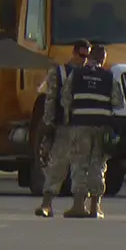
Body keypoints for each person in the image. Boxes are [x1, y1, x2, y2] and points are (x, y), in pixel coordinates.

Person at [35, 39, 90, 218]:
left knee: (81, 167)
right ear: (74, 52)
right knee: (57, 165)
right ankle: (46, 203)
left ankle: (79, 205)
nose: (84, 59)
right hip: (64, 125)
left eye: (87, 56)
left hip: (83, 126)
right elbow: (51, 98)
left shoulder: (88, 73)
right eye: (81, 55)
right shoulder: (59, 72)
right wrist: (48, 122)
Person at [62, 42, 116, 218]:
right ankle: (95, 207)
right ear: (103, 59)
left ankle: (78, 205)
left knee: (79, 163)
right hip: (101, 126)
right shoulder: (109, 77)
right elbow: (118, 101)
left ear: (90, 56)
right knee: (97, 165)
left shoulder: (77, 74)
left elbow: (65, 98)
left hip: (80, 125)